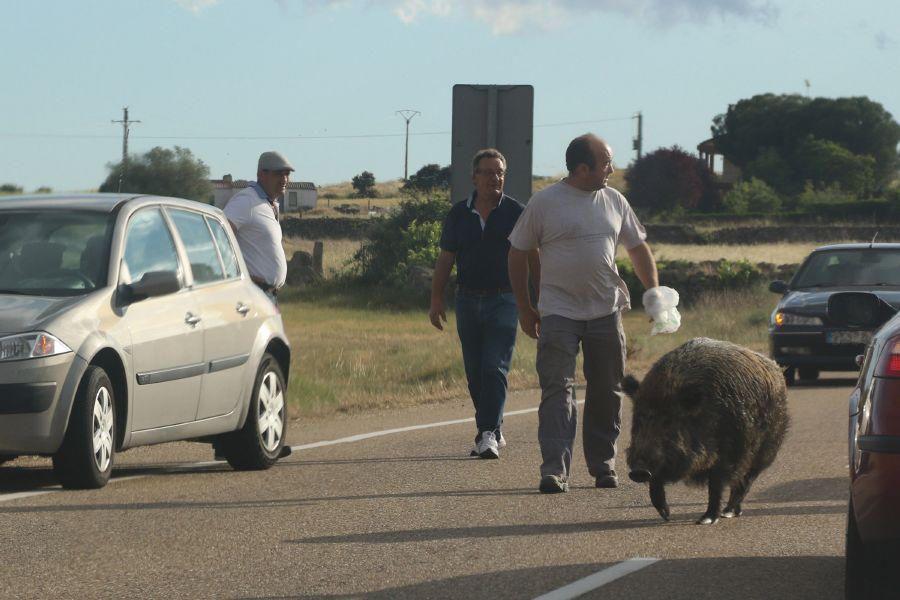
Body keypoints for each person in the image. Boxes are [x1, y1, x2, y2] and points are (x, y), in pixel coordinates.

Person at [507, 133, 660, 493]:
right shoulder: (545, 203)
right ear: (581, 168)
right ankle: (554, 470)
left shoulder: (614, 201)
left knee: (607, 389)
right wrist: (525, 308)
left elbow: (638, 248)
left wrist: (653, 292)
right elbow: (517, 254)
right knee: (557, 390)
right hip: (558, 311)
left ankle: (603, 465)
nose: (612, 168)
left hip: (605, 310)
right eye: (606, 162)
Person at [429, 148, 539, 459]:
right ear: (474, 177)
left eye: (500, 172)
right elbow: (445, 258)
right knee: (475, 372)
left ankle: (487, 432)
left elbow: (533, 257)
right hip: (467, 300)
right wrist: (436, 298)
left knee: (495, 367)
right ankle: (493, 427)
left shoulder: (517, 212)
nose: (495, 178)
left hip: (505, 299)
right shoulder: (459, 214)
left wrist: (536, 302)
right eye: (488, 172)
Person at [224, 151, 293, 301]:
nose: (284, 179)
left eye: (286, 174)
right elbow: (219, 238)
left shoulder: (269, 204)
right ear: (261, 174)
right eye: (278, 174)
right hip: (253, 294)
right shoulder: (246, 201)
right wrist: (237, 274)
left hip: (267, 294)